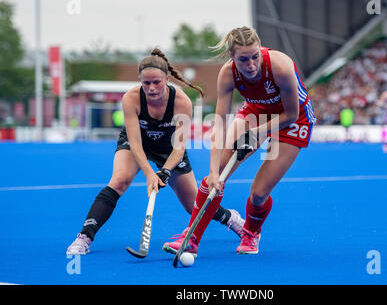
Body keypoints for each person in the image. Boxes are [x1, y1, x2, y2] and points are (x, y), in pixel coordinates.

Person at [67, 49, 244, 255]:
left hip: (169, 148)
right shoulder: (131, 99)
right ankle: (84, 238)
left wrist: (165, 171)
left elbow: (179, 148)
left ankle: (230, 217)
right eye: (146, 83)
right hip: (138, 142)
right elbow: (134, 143)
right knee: (119, 181)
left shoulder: (182, 102)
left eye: (157, 82)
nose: (151, 88)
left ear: (167, 79)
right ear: (140, 81)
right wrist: (150, 174)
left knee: (192, 205)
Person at [163, 26, 316, 257]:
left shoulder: (280, 66)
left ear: (261, 50)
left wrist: (257, 132)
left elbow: (291, 115)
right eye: (243, 60)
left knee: (258, 194)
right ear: (232, 57)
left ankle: (251, 233)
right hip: (256, 111)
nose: (251, 65)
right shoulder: (227, 74)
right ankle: (191, 238)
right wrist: (214, 171)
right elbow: (220, 124)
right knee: (217, 175)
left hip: (294, 120)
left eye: (255, 57)